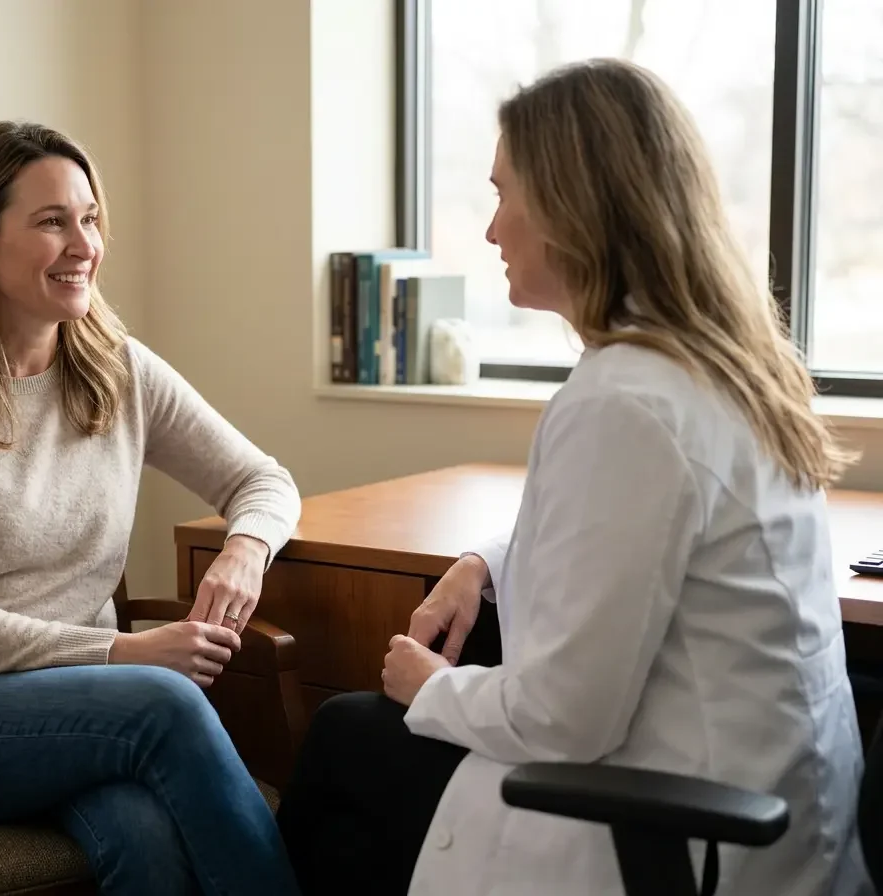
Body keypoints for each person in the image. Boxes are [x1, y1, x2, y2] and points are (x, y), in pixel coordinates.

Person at [275, 57, 872, 896]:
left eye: (501, 195)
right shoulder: (717, 367)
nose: (490, 232)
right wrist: (484, 562)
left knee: (348, 740)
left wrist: (435, 690)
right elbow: (623, 541)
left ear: (570, 205)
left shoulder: (626, 402)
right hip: (774, 804)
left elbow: (565, 717)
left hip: (680, 829)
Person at [0, 120, 303, 896]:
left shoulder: (116, 367)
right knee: (164, 703)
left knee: (146, 840)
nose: (83, 242)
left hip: (71, 711)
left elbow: (264, 480)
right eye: (52, 221)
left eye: (89, 218)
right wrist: (122, 655)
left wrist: (243, 550)